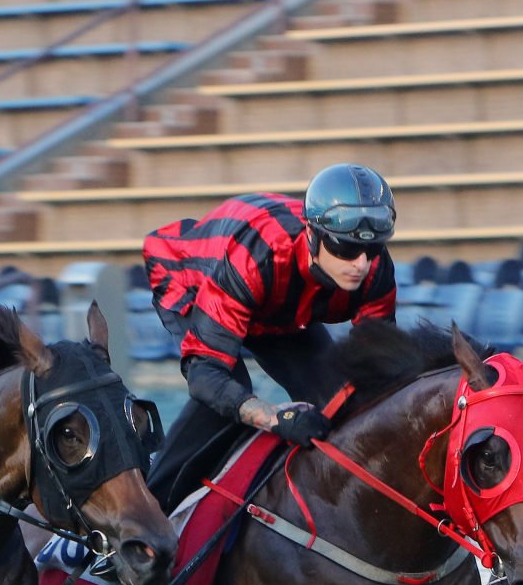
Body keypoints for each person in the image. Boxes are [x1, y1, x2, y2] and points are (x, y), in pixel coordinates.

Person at [140, 162, 398, 511]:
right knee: (224, 403)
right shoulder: (257, 259)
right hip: (199, 279)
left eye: (372, 249)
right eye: (345, 249)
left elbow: (378, 370)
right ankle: (144, 517)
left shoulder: (375, 269)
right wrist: (276, 418)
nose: (361, 264)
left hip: (277, 303)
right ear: (313, 235)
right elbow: (205, 377)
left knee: (341, 402)